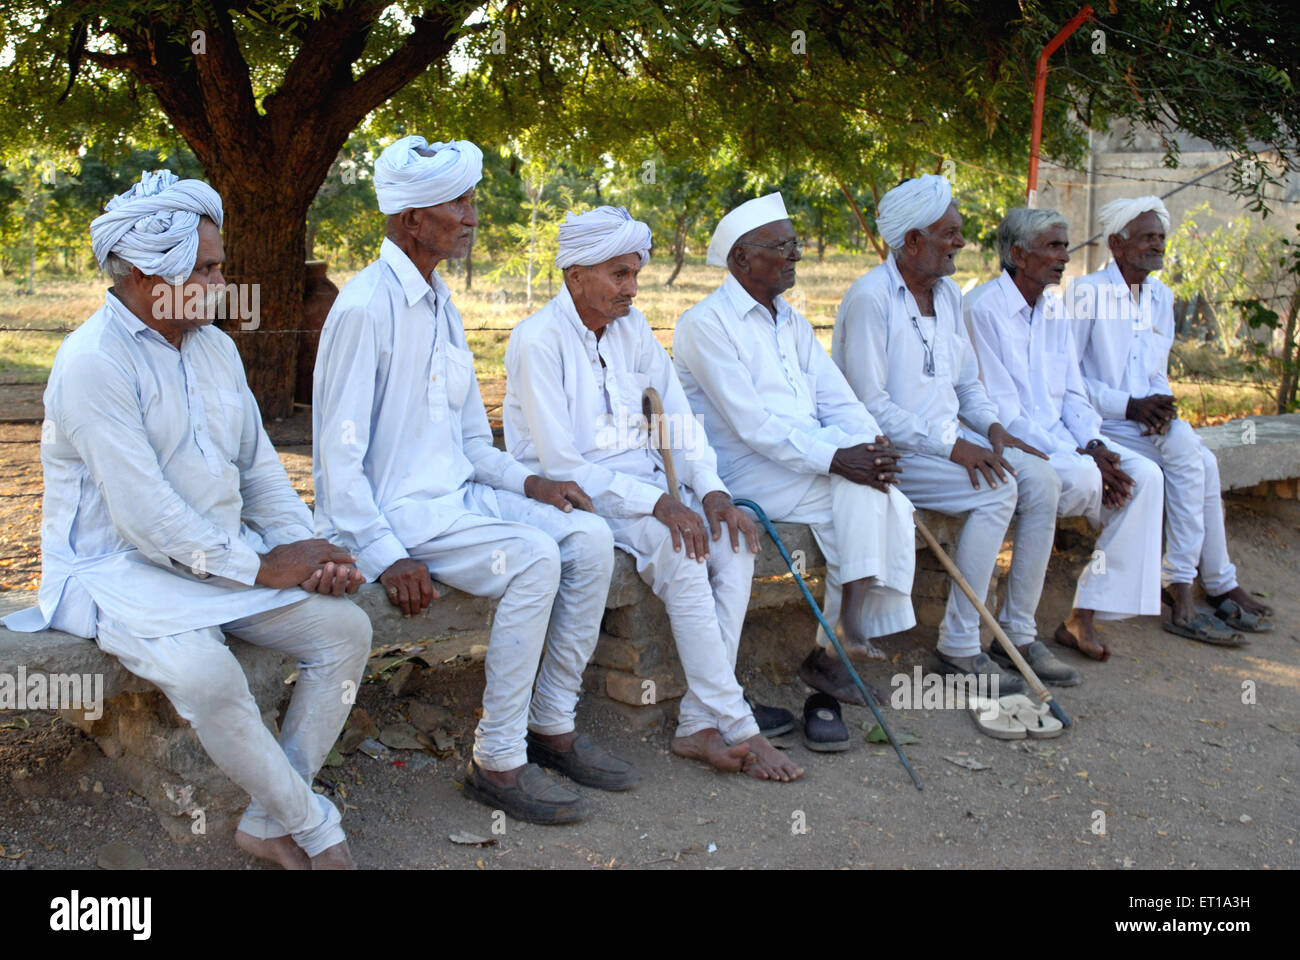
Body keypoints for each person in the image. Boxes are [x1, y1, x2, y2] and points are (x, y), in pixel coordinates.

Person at [2, 170, 370, 869]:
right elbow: (145, 519)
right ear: (146, 273)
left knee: (345, 630)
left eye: (219, 265)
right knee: (208, 675)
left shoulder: (216, 348)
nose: (223, 282)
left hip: (220, 559)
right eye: (206, 268)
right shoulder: (91, 363)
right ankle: (317, 829)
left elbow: (258, 469)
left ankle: (269, 817)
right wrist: (265, 566)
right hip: (116, 571)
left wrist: (303, 548)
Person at [312, 137, 633, 825]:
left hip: (456, 500)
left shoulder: (441, 304)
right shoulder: (366, 307)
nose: (471, 215)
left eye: (469, 200)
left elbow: (466, 441)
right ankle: (497, 760)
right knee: (535, 557)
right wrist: (383, 552)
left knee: (587, 536)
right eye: (456, 203)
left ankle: (551, 724)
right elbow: (336, 459)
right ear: (409, 222)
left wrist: (530, 484)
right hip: (399, 517)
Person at [503, 205, 803, 781]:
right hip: (575, 499)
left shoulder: (631, 328)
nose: (633, 288)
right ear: (576, 276)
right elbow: (562, 463)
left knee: (735, 541)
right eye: (620, 275)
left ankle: (697, 721)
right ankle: (739, 725)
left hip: (645, 487)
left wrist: (712, 491)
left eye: (635, 273)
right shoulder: (537, 340)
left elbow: (677, 421)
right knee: (685, 553)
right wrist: (661, 505)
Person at [673, 192, 917, 732]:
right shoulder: (704, 324)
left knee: (884, 494)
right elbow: (753, 426)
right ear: (741, 258)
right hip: (741, 471)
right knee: (867, 495)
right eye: (782, 247)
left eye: (795, 245)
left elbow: (838, 399)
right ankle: (838, 647)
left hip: (803, 461)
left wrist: (869, 445)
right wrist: (838, 459)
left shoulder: (792, 321)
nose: (796, 257)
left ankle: (836, 648)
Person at [833, 175, 1078, 690]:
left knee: (1042, 479)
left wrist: (991, 428)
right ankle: (961, 646)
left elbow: (968, 382)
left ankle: (1017, 633)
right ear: (914, 240)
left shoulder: (948, 296)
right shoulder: (869, 299)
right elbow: (868, 403)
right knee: (999, 490)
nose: (962, 244)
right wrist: (952, 446)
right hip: (889, 452)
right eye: (950, 233)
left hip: (948, 443)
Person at [1067, 196, 1272, 646]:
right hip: (1100, 423)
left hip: (1144, 423)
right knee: (1189, 454)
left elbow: (1156, 372)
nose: (1158, 244)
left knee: (1204, 462)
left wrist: (1162, 407)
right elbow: (1070, 379)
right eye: (1148, 237)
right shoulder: (1088, 293)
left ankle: (1214, 581)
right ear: (1117, 244)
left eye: (1161, 236)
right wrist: (1130, 405)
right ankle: (1181, 588)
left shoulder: (1160, 295)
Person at [965, 207, 1164, 665]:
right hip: (1014, 444)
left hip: (1068, 445)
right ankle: (1015, 631)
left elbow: (1074, 393)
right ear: (1018, 254)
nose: (1065, 256)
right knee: (1078, 478)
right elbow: (1003, 414)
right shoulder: (983, 310)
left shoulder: (1053, 307)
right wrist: (1081, 455)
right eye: (1054, 246)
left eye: (1065, 245)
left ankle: (1083, 613)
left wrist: (1095, 445)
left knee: (1148, 477)